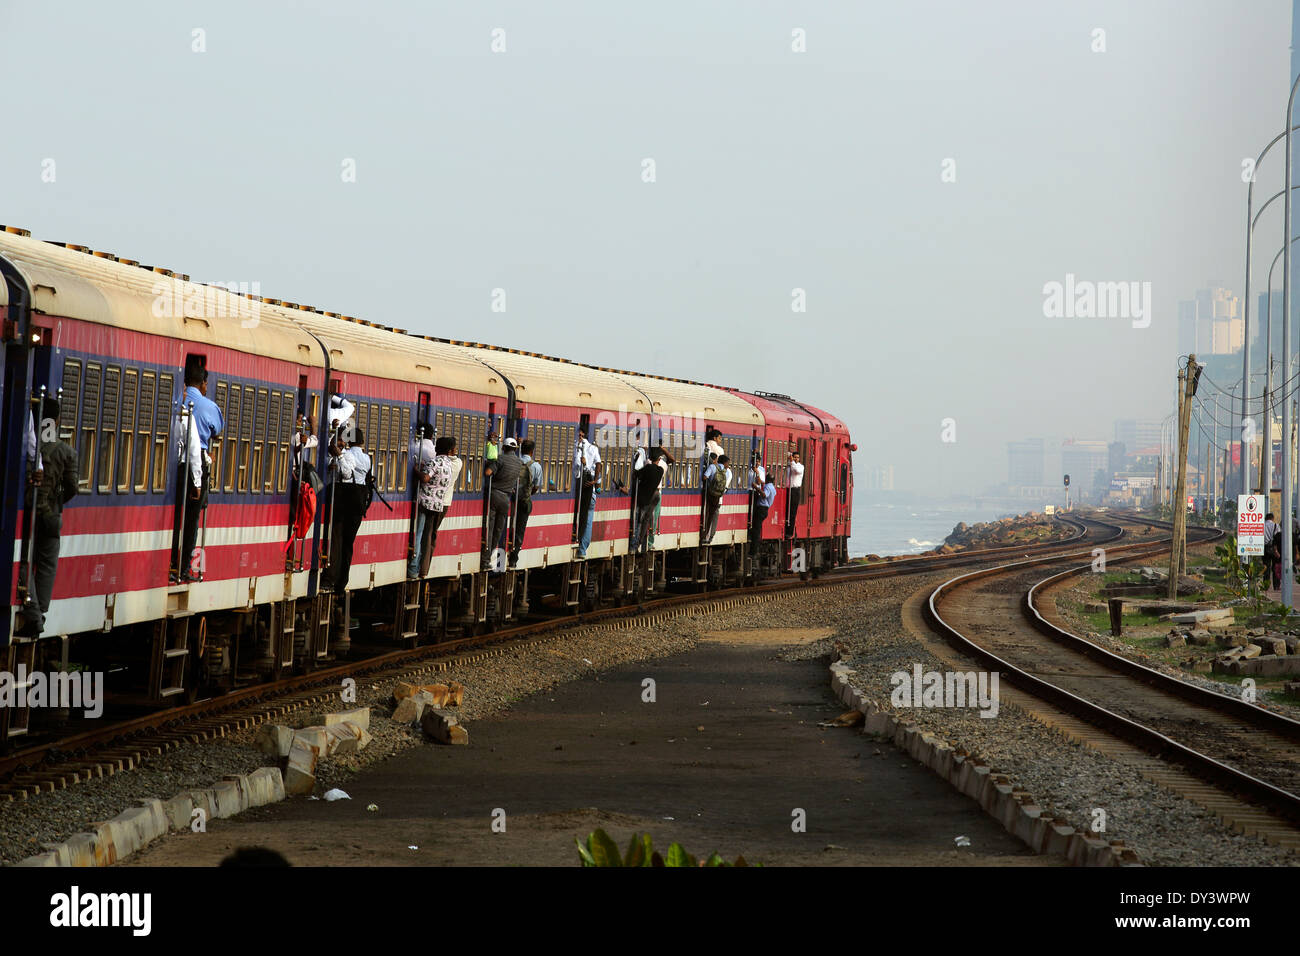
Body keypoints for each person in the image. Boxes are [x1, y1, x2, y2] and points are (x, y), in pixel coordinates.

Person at [21, 397, 77, 634]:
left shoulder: (27, 446)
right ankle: (40, 613)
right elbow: (72, 487)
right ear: (56, 421)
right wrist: (55, 503)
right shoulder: (67, 452)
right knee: (46, 564)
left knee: (24, 560)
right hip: (52, 515)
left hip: (29, 513)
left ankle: (31, 612)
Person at [174, 365, 225, 582]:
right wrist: (196, 481)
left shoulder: (177, 401)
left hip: (172, 464)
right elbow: (213, 433)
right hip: (196, 465)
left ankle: (174, 560)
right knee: (192, 518)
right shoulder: (207, 407)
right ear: (204, 384)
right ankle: (184, 567)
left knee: (176, 516)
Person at [321, 427, 371, 595]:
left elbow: (347, 473)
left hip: (343, 500)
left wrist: (339, 454)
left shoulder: (347, 455)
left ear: (348, 441)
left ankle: (330, 578)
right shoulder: (366, 458)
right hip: (358, 503)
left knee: (336, 539)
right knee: (348, 544)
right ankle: (342, 582)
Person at [409, 436, 461, 578]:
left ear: (437, 448)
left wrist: (417, 471)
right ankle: (423, 569)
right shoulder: (451, 465)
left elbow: (426, 478)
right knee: (428, 536)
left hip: (425, 502)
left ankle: (414, 567)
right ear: (450, 451)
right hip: (437, 504)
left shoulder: (435, 461)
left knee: (419, 534)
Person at [484, 436, 523, 567]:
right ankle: (490, 557)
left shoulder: (500, 459)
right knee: (498, 529)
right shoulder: (519, 462)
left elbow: (488, 472)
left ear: (504, 448)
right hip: (506, 499)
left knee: (490, 526)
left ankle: (485, 558)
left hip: (495, 494)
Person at [513, 438, 543, 566]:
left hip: (510, 498)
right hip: (524, 501)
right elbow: (537, 486)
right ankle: (514, 556)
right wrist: (528, 493)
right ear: (532, 451)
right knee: (520, 528)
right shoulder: (536, 466)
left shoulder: (515, 462)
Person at [633, 446, 667, 553]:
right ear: (659, 459)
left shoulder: (648, 468)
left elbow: (637, 474)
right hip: (656, 495)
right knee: (647, 520)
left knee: (639, 519)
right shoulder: (661, 470)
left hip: (646, 496)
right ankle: (640, 541)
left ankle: (635, 544)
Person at [574, 431, 602, 558]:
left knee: (585, 517)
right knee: (588, 519)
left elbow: (598, 464)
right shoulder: (593, 448)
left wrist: (594, 480)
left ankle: (581, 545)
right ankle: (582, 548)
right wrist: (595, 481)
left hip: (584, 486)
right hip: (590, 489)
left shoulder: (577, 447)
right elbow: (599, 464)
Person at [701, 454, 732, 545]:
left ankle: (704, 533)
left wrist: (708, 484)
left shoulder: (712, 467)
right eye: (728, 463)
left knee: (707, 513)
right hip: (718, 496)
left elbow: (705, 477)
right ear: (725, 462)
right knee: (711, 515)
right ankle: (708, 535)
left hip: (709, 493)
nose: (728, 465)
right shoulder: (726, 472)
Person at [785, 450, 805, 538]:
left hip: (795, 490)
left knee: (792, 511)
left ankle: (790, 532)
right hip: (788, 489)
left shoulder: (800, 467)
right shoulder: (789, 466)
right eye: (795, 457)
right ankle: (785, 528)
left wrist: (792, 462)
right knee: (786, 510)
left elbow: (796, 471)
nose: (796, 459)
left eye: (797, 458)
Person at [752, 474, 776, 539]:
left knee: (756, 530)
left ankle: (755, 548)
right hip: (765, 510)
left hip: (761, 509)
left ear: (767, 479)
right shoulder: (772, 487)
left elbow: (764, 495)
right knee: (757, 528)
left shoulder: (767, 486)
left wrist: (756, 487)